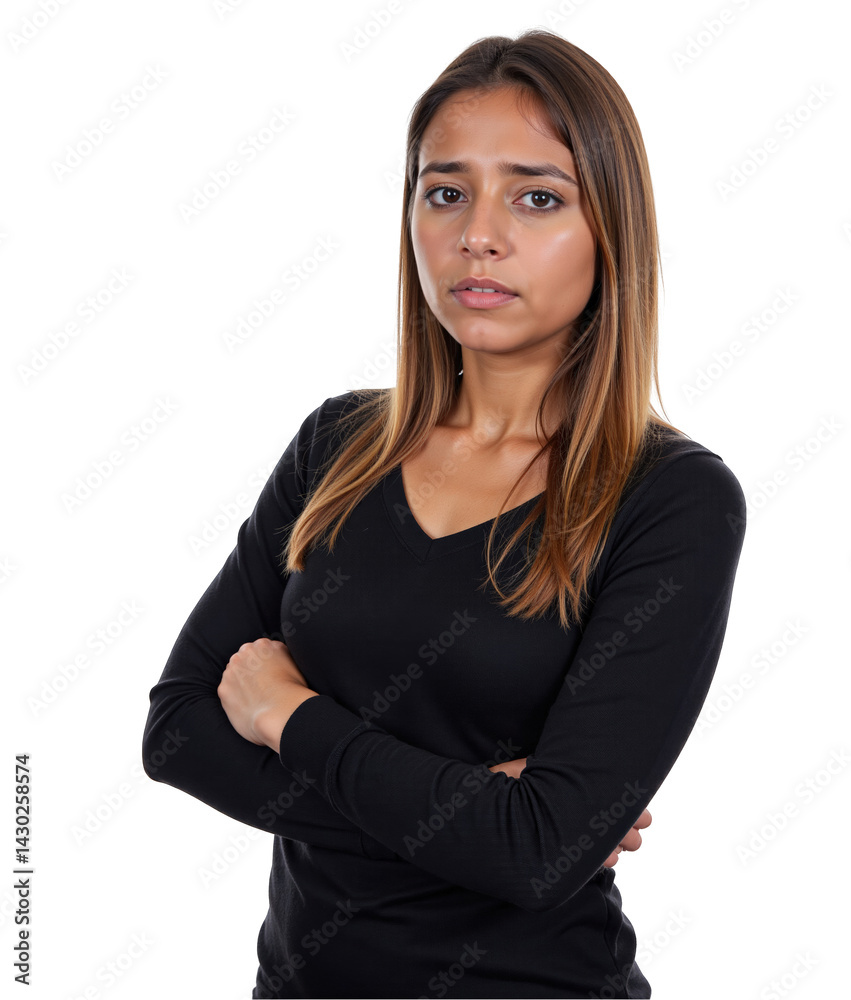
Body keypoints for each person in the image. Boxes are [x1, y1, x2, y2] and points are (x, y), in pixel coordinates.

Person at [142, 28, 747, 999]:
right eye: (446, 192)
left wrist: (287, 714)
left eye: (537, 197)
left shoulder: (672, 499)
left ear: (611, 229)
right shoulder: (337, 447)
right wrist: (478, 817)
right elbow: (177, 733)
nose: (479, 234)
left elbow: (540, 856)